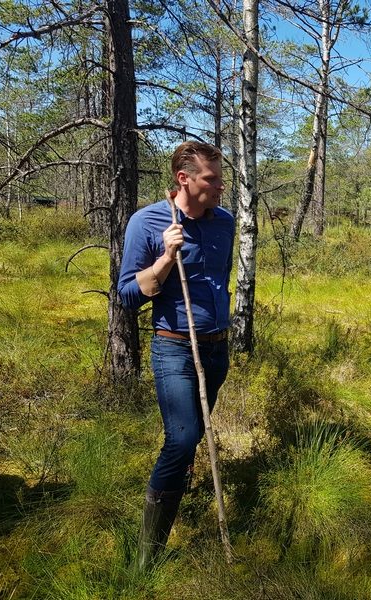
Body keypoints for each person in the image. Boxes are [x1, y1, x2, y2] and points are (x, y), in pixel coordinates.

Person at [117, 141, 234, 569]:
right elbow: (128, 296)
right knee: (181, 439)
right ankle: (148, 556)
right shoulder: (147, 222)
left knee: (194, 436)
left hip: (217, 349)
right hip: (175, 347)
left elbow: (221, 280)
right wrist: (167, 257)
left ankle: (177, 485)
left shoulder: (225, 222)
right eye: (212, 179)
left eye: (221, 178)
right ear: (184, 179)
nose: (221, 187)